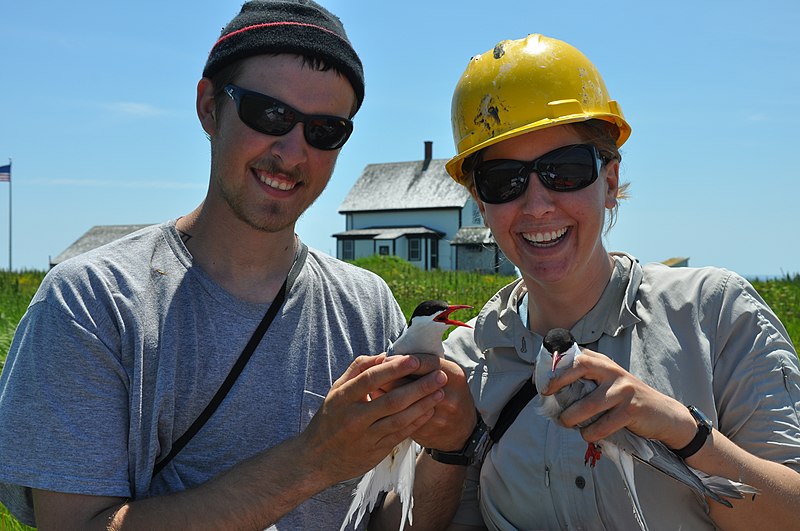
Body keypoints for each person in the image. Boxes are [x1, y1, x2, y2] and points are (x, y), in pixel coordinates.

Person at [0, 2, 474, 529]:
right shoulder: (91, 303)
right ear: (209, 108)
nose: (293, 152)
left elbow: (389, 519)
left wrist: (449, 451)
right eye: (269, 114)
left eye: (325, 130)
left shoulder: (366, 306)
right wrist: (314, 460)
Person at [390, 34, 800, 530]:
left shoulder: (715, 314)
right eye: (504, 180)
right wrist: (449, 450)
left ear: (609, 182)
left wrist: (684, 432)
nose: (538, 204)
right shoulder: (462, 364)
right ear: (481, 203)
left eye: (565, 171)